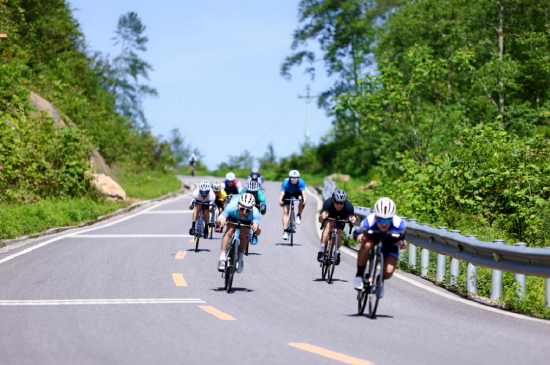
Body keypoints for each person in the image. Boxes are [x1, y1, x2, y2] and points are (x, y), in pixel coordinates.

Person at [352, 197, 407, 298]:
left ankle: (379, 280)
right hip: (373, 237)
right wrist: (359, 237)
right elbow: (356, 233)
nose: (384, 224)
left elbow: (402, 240)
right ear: (376, 217)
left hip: (390, 241)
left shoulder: (399, 224)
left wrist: (402, 243)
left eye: (388, 220)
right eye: (381, 220)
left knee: (388, 272)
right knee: (367, 244)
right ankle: (359, 276)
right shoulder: (369, 221)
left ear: (393, 217)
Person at [216, 193, 261, 274]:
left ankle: (240, 259)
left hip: (246, 220)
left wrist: (256, 228)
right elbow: (217, 221)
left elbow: (258, 233)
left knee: (243, 234)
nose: (244, 212)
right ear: (238, 206)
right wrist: (221, 220)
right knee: (229, 231)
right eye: (242, 209)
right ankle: (222, 259)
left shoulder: (255, 212)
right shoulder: (231, 206)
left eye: (247, 210)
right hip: (233, 216)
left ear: (251, 209)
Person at [318, 189, 356, 265]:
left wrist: (352, 222)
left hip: (341, 219)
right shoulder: (328, 203)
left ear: (344, 203)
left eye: (341, 203)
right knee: (328, 226)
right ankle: (321, 250)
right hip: (330, 218)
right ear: (333, 200)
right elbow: (320, 220)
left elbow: (350, 224)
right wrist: (322, 216)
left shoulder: (349, 207)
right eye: (337, 202)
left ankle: (337, 251)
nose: (339, 205)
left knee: (339, 233)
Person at [278, 170, 307, 240]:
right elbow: (281, 194)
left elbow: (304, 194)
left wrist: (304, 200)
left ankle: (299, 215)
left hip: (297, 192)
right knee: (285, 211)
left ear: (298, 178)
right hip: (287, 193)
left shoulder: (301, 181)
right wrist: (280, 200)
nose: (294, 179)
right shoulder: (285, 182)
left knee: (301, 199)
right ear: (290, 178)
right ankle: (285, 231)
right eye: (292, 178)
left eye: (296, 178)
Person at [239, 180, 267, 245]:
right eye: (250, 192)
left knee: (255, 215)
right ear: (247, 191)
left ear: (257, 191)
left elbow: (263, 212)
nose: (252, 194)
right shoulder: (242, 192)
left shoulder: (261, 195)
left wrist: (263, 208)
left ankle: (254, 234)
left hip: (256, 203)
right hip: (245, 201)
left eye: (254, 192)